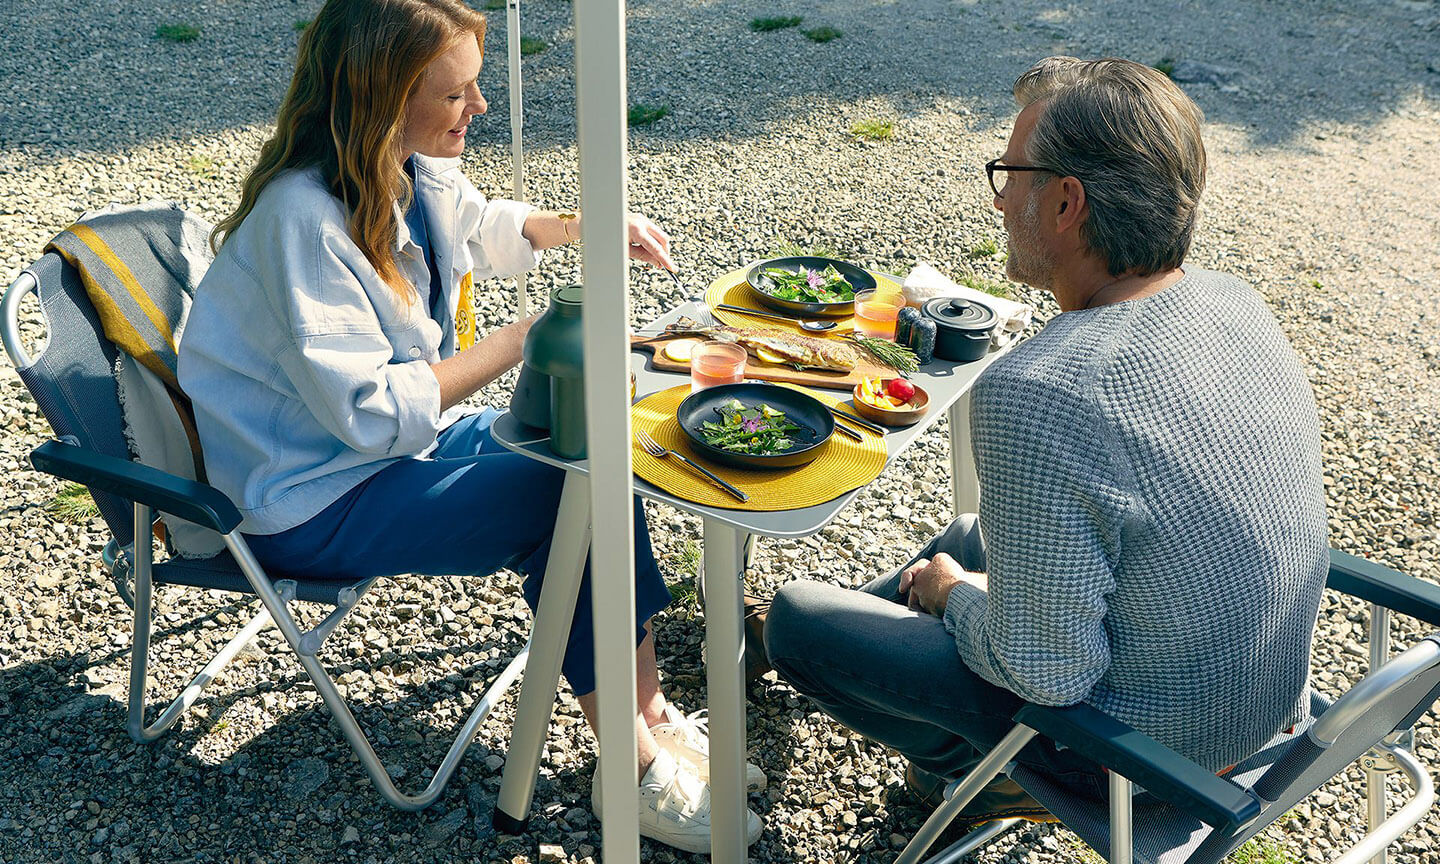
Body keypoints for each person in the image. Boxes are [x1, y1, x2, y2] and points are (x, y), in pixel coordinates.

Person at [177, 0, 762, 852]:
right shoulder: (302, 224)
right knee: (561, 499)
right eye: (456, 96)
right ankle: (631, 775)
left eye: (476, 89)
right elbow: (374, 412)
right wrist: (522, 341)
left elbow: (479, 222)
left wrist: (579, 228)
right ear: (383, 100)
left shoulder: (398, 165)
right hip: (306, 493)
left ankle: (648, 717)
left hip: (369, 455)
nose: (478, 110)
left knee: (593, 455)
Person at [763, 55, 1330, 825]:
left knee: (800, 621)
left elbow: (1048, 674)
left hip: (1139, 760)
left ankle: (981, 776)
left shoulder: (1045, 390)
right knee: (967, 536)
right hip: (1262, 710)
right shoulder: (1233, 301)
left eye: (1010, 174)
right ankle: (823, 642)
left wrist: (952, 598)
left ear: (1067, 203)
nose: (999, 203)